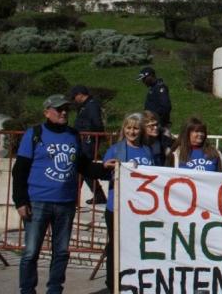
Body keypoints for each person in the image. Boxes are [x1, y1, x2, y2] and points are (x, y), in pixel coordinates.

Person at [11, 95, 106, 294]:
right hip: (38, 202)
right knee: (30, 252)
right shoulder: (34, 134)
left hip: (65, 203)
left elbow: (83, 166)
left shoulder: (73, 135)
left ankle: (55, 290)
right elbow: (20, 170)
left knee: (61, 252)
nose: (63, 112)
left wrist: (107, 170)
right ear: (47, 112)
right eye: (58, 109)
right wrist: (20, 201)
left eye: (66, 109)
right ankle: (27, 290)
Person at [101, 113, 154, 292]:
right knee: (115, 247)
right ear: (124, 129)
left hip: (140, 208)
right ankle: (112, 283)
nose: (132, 131)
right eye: (129, 127)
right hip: (117, 207)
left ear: (141, 131)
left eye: (136, 128)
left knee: (136, 246)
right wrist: (107, 166)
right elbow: (103, 169)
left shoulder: (147, 151)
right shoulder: (116, 149)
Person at [69, 85, 107, 205]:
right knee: (82, 168)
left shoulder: (91, 105)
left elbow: (97, 123)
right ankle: (78, 197)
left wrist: (94, 138)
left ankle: (96, 195)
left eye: (75, 97)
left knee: (84, 168)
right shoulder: (86, 106)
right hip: (84, 140)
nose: (74, 100)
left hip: (88, 141)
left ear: (80, 94)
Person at [137, 66, 172, 132]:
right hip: (152, 124)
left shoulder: (160, 88)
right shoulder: (153, 88)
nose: (143, 81)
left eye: (144, 79)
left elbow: (166, 107)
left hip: (158, 125)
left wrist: (157, 121)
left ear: (150, 76)